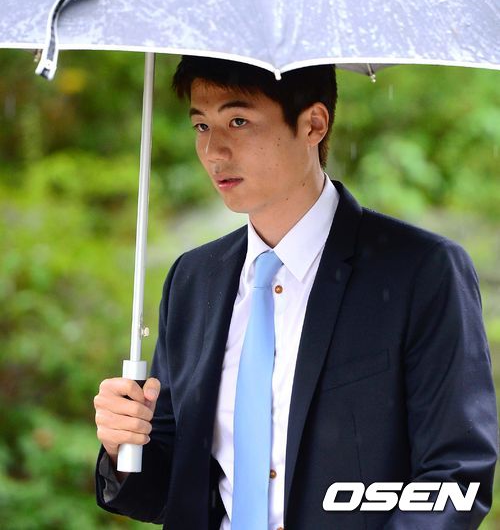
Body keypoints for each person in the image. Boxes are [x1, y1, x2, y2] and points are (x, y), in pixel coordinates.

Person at [94, 57, 498, 530]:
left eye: (238, 121)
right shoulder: (193, 279)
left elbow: (456, 476)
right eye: (201, 125)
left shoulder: (420, 271)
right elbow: (171, 489)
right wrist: (124, 446)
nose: (214, 151)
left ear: (313, 124)